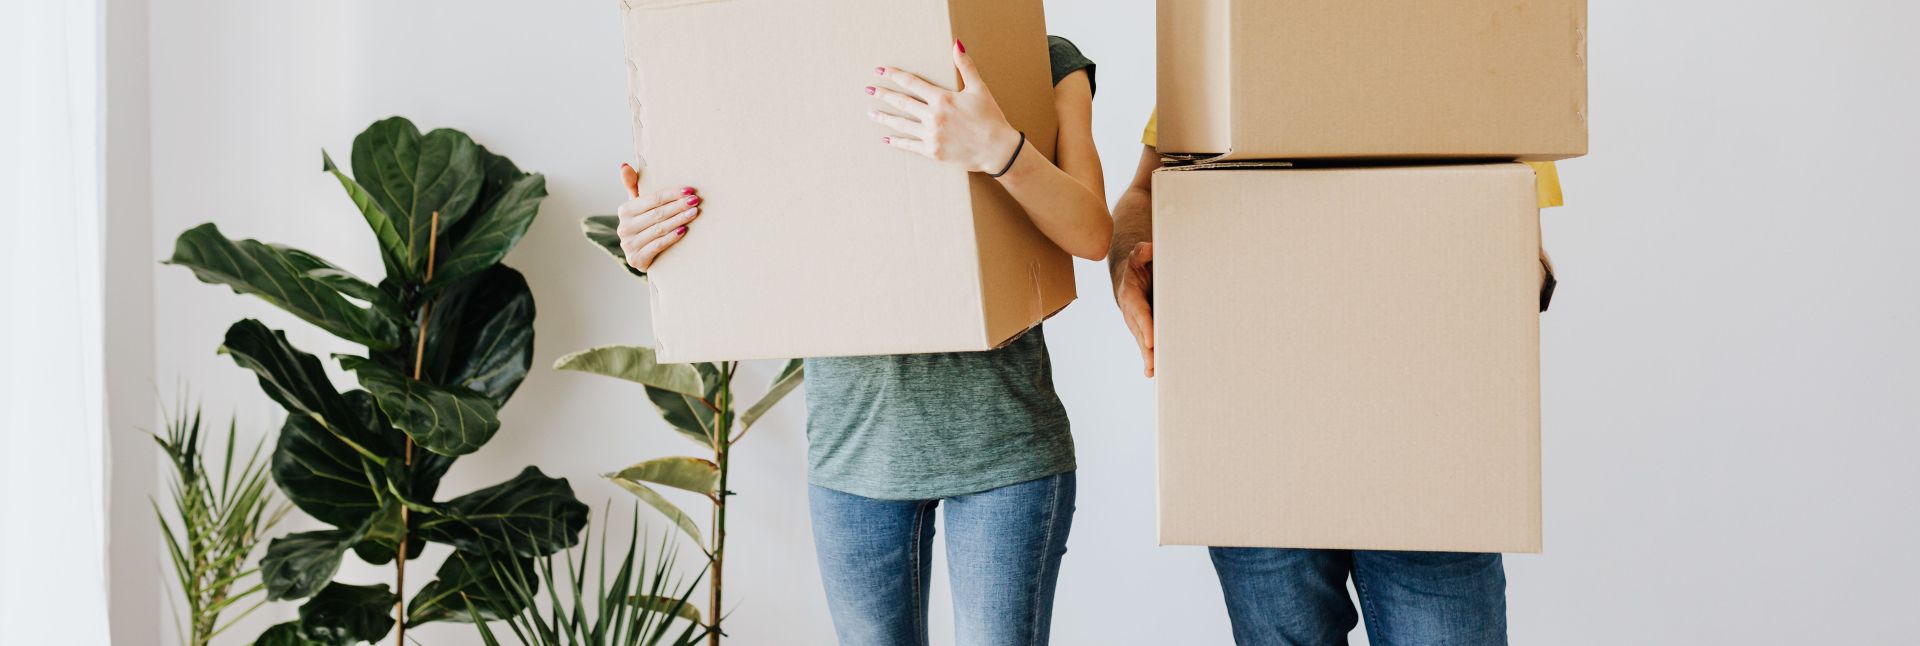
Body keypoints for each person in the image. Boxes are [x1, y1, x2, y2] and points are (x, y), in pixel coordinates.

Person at [613, 38, 1110, 646]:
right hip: (853, 452)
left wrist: (998, 150)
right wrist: (654, 242)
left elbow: (1091, 232)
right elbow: (747, 216)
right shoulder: (794, 59)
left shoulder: (1041, 58)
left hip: (1003, 450)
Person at [1110, 111, 1564, 646]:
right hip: (1258, 432)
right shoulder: (1231, 39)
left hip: (1427, 438)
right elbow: (1145, 190)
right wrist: (1127, 262)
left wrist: (1504, 283)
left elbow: (1510, 213)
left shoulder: (1470, 49)